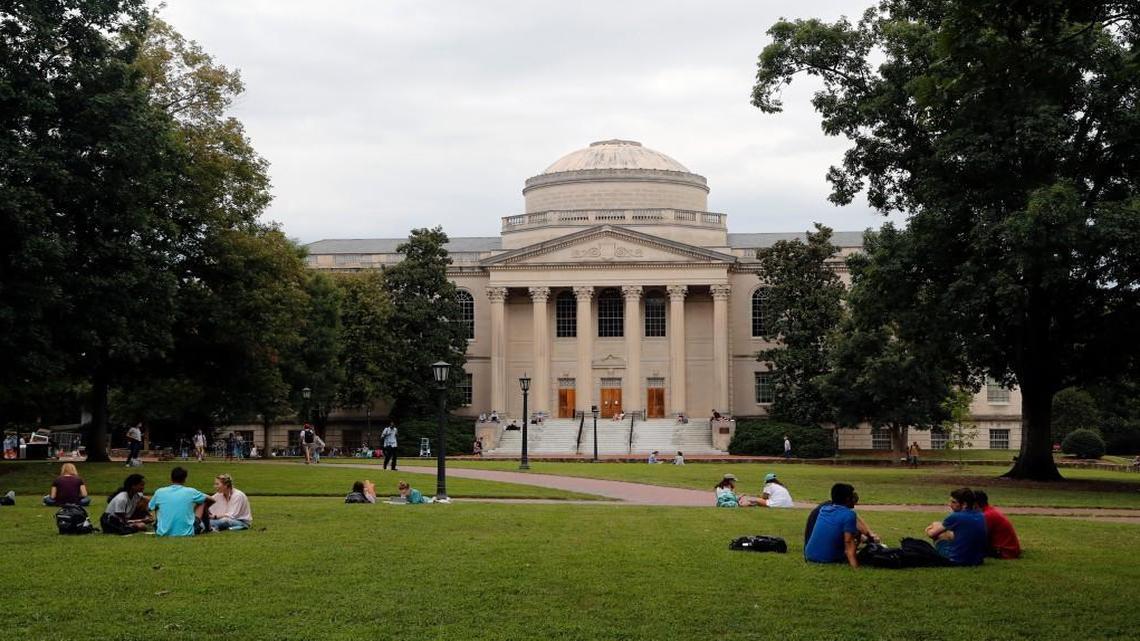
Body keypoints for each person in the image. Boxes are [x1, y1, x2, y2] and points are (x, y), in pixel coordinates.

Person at [924, 487, 987, 566]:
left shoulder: (956, 516)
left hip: (957, 559)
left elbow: (931, 534)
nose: (950, 505)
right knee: (947, 531)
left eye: (954, 502)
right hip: (978, 560)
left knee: (939, 532)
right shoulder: (981, 515)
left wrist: (929, 528)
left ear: (964, 504)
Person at [804, 483, 863, 568]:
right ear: (847, 499)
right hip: (828, 559)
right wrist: (855, 567)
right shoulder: (849, 515)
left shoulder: (824, 510)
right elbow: (848, 543)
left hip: (809, 555)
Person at [803, 487, 879, 548]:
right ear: (847, 500)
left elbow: (855, 518)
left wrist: (869, 534)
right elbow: (854, 524)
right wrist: (870, 537)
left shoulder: (829, 506)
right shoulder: (835, 511)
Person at [148, 467, 207, 537]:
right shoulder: (191, 492)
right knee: (202, 502)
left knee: (157, 506)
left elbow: (149, 507)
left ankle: (163, 527)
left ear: (171, 478)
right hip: (187, 533)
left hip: (163, 533)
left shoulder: (159, 492)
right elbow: (207, 499)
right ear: (185, 479)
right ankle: (208, 527)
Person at [975, 490, 1021, 559]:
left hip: (1004, 551)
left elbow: (980, 537)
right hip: (1009, 549)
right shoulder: (990, 511)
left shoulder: (987, 515)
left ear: (975, 504)